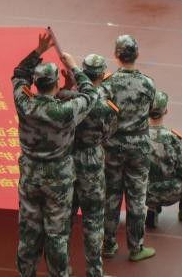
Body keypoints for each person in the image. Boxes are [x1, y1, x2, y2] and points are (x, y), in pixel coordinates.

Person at [12, 30, 97, 277]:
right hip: (58, 176)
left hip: (30, 173)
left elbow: (19, 74)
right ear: (57, 84)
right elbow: (90, 94)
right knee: (57, 234)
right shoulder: (65, 111)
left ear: (36, 84)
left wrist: (38, 51)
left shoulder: (24, 103)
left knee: (29, 230)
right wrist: (74, 68)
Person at [102, 34, 157, 264]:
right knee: (137, 198)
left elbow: (102, 111)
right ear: (137, 55)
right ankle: (136, 248)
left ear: (116, 55)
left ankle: (108, 244)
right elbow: (152, 108)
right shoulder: (148, 83)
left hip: (113, 146)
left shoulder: (108, 83)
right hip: (138, 147)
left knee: (111, 195)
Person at [66, 54, 119, 277]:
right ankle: (94, 272)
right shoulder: (105, 107)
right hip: (92, 162)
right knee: (93, 219)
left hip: (67, 161)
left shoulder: (67, 98)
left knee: (64, 219)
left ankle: (61, 269)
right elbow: (110, 133)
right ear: (101, 76)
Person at [145, 91, 182, 229]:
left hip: (147, 194)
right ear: (166, 111)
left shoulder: (139, 137)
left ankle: (151, 210)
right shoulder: (173, 139)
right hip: (173, 192)